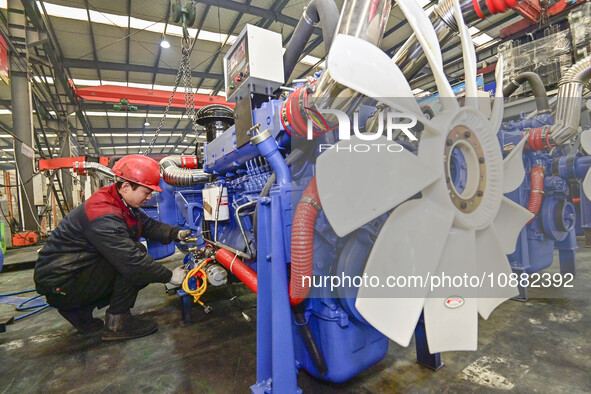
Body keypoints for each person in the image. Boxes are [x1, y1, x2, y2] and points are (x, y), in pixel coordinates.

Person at [34, 155, 190, 341]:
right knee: (136, 257)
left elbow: (148, 225)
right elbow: (131, 260)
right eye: (146, 192)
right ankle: (118, 322)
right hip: (62, 283)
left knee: (134, 257)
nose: (149, 198)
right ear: (126, 186)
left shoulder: (116, 199)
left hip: (67, 277)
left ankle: (79, 313)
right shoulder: (104, 214)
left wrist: (177, 234)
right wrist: (171, 277)